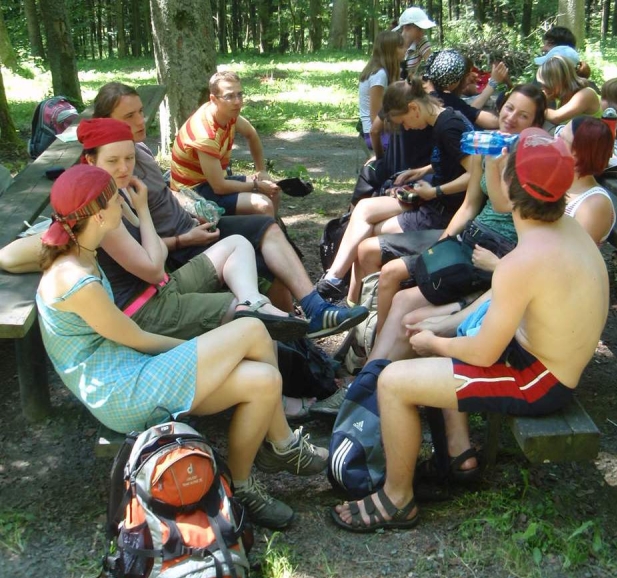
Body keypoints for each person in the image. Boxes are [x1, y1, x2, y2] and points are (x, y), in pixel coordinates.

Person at [331, 127, 609, 531]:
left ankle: (396, 499)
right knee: (423, 330)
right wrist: (445, 325)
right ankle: (452, 453)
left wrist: (434, 341)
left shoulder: (524, 259)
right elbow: (502, 299)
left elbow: (481, 352)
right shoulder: (565, 231)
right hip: (537, 358)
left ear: (511, 189)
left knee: (394, 382)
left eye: (503, 166)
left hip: (538, 379)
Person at [36, 164, 329, 531]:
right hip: (121, 391)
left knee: (264, 380)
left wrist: (208, 353)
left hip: (133, 369)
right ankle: (282, 444)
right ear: (97, 216)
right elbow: (136, 338)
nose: (120, 202)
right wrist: (201, 349)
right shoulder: (75, 279)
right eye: (114, 199)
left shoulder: (79, 249)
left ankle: (242, 486)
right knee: (253, 328)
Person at [92, 82, 368, 339]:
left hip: (194, 224)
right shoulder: (115, 176)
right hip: (181, 247)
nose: (141, 121)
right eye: (129, 116)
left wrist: (191, 205)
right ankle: (298, 344)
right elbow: (140, 244)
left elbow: (167, 192)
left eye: (141, 112)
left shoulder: (138, 149)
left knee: (267, 227)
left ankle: (315, 310)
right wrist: (183, 239)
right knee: (267, 268)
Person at [368, 84, 547, 335]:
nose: (511, 118)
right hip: (471, 235)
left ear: (535, 124)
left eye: (523, 115)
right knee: (393, 268)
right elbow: (469, 206)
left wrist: (435, 192)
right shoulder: (488, 145)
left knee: (404, 297)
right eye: (509, 108)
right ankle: (372, 339)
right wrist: (440, 246)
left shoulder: (536, 161)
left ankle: (378, 342)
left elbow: (506, 207)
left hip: (497, 251)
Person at [317, 79, 473, 302]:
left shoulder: (448, 127)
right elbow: (452, 160)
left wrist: (436, 191)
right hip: (431, 199)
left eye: (404, 122)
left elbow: (474, 175)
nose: (406, 128)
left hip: (442, 210)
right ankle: (338, 285)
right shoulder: (443, 120)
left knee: (370, 234)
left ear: (414, 108)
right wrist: (422, 171)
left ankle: (353, 300)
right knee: (364, 209)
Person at [171, 71, 281, 217]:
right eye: (229, 96)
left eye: (239, 94)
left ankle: (272, 228)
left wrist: (261, 170)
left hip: (212, 182)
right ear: (213, 99)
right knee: (263, 204)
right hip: (192, 192)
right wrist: (257, 186)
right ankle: (265, 229)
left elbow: (251, 134)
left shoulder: (227, 114)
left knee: (273, 190)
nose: (237, 102)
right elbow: (219, 187)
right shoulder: (205, 134)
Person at [422, 49, 502, 129]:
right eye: (467, 74)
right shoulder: (446, 100)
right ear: (454, 79)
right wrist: (493, 83)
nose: (473, 75)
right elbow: (473, 114)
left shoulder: (423, 87)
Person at [358, 30, 405, 151]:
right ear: (391, 50)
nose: (405, 50)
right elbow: (375, 118)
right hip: (376, 135)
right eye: (401, 47)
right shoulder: (379, 75)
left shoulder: (382, 72)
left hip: (382, 131)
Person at [537, 55, 600, 125]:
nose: (542, 88)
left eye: (546, 85)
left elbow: (556, 117)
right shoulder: (561, 98)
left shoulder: (586, 94)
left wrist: (534, 107)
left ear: (560, 81)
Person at [393, 6, 436, 80]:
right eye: (419, 29)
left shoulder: (422, 42)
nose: (422, 33)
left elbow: (432, 67)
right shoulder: (391, 43)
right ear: (406, 27)